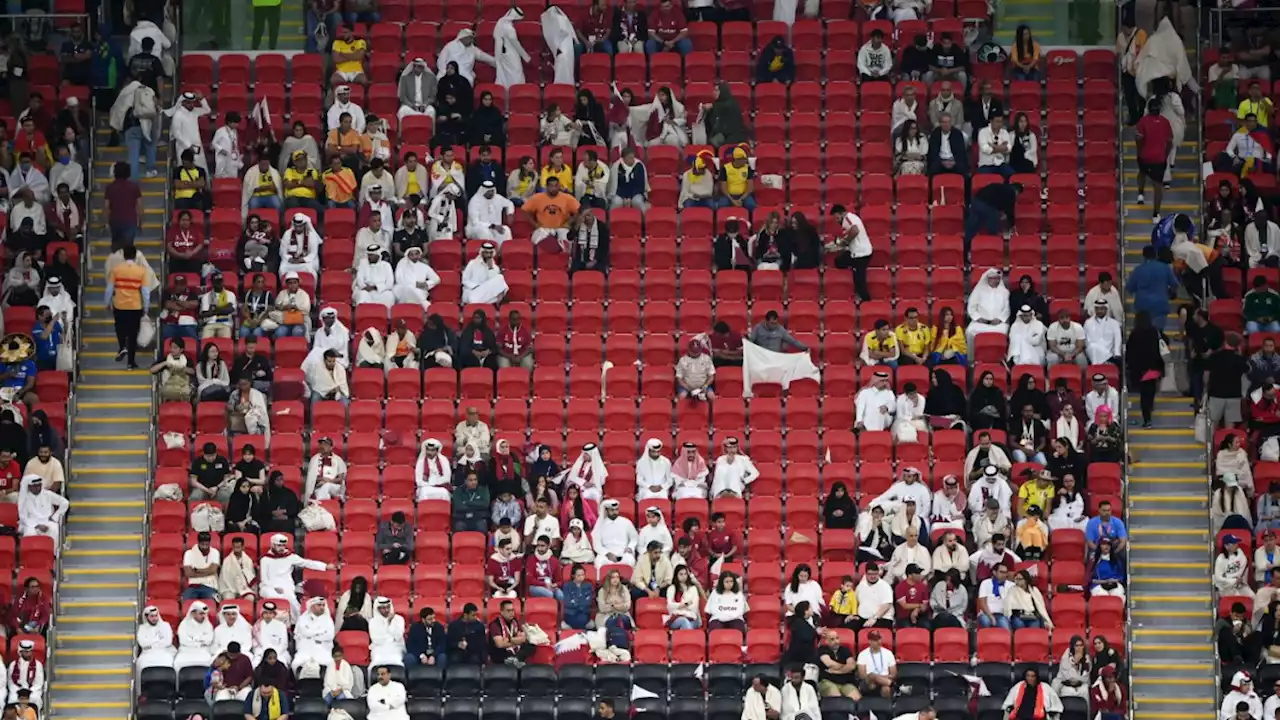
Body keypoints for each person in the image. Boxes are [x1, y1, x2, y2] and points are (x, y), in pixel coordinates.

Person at [104, 244, 148, 369]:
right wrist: (146, 307)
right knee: (133, 334)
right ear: (135, 256)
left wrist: (107, 303)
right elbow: (145, 291)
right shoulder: (141, 271)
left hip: (119, 304)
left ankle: (122, 346)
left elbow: (109, 288)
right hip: (135, 305)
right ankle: (131, 362)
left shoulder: (116, 269)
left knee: (120, 328)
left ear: (123, 255)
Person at [817, 630, 860, 700]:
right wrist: (846, 668)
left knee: (857, 699)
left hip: (846, 682)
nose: (836, 641)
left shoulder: (845, 650)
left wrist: (836, 671)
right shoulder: (822, 650)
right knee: (837, 700)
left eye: (837, 638)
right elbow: (830, 664)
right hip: (828, 681)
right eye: (832, 639)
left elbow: (852, 666)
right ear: (826, 641)